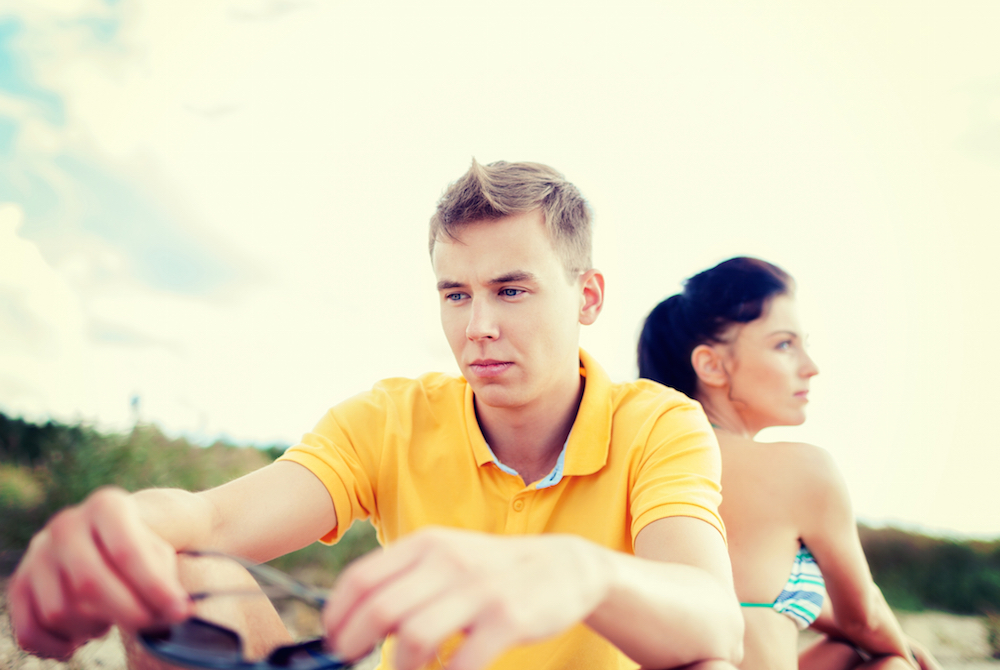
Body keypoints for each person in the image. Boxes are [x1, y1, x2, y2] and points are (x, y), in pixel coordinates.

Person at [8, 160, 744, 670]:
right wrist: (124, 528)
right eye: (456, 294)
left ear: (587, 297)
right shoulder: (392, 417)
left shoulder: (659, 423)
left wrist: (579, 571)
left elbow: (714, 616)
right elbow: (213, 522)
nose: (478, 325)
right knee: (180, 573)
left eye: (511, 290)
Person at [637, 257, 941, 670]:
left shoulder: (645, 457)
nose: (810, 368)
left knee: (847, 650)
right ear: (710, 365)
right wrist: (910, 656)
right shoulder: (799, 468)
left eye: (804, 344)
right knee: (892, 664)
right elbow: (864, 616)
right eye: (784, 344)